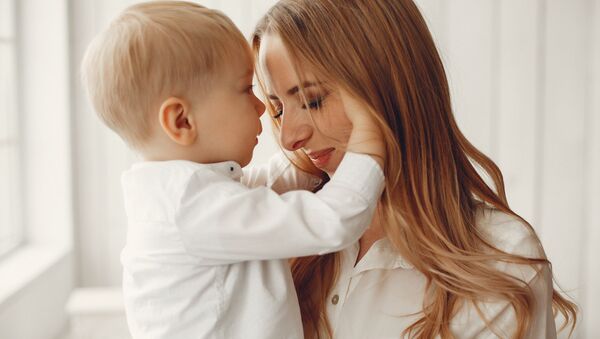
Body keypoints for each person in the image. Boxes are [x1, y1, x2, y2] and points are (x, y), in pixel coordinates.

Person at [251, 0, 578, 338]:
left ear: (386, 86)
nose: (289, 138)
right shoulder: (283, 239)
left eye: (313, 101)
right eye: (277, 110)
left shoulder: (501, 257)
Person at [80, 1, 387, 338]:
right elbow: (330, 221)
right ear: (182, 121)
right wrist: (368, 142)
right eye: (246, 90)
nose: (260, 109)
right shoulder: (191, 207)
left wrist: (318, 155)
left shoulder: (175, 197)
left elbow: (262, 192)